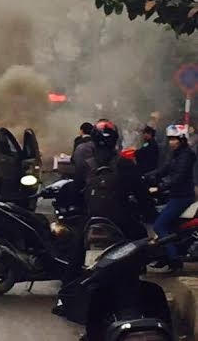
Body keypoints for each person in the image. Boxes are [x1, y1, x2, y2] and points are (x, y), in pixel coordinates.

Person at [53, 119, 155, 317]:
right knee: (140, 243)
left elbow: (74, 193)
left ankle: (63, 299)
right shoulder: (125, 164)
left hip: (91, 221)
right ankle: (134, 291)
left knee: (75, 257)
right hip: (120, 222)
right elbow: (143, 196)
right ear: (115, 140)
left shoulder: (86, 165)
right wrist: (149, 213)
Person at [149, 124, 196, 273]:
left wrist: (160, 187)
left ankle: (174, 259)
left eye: (174, 139)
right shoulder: (176, 154)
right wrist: (145, 176)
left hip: (182, 197)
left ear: (182, 139)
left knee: (159, 226)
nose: (171, 142)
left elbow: (178, 177)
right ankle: (166, 256)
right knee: (169, 226)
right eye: (170, 139)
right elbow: (164, 169)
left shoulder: (186, 155)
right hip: (175, 195)